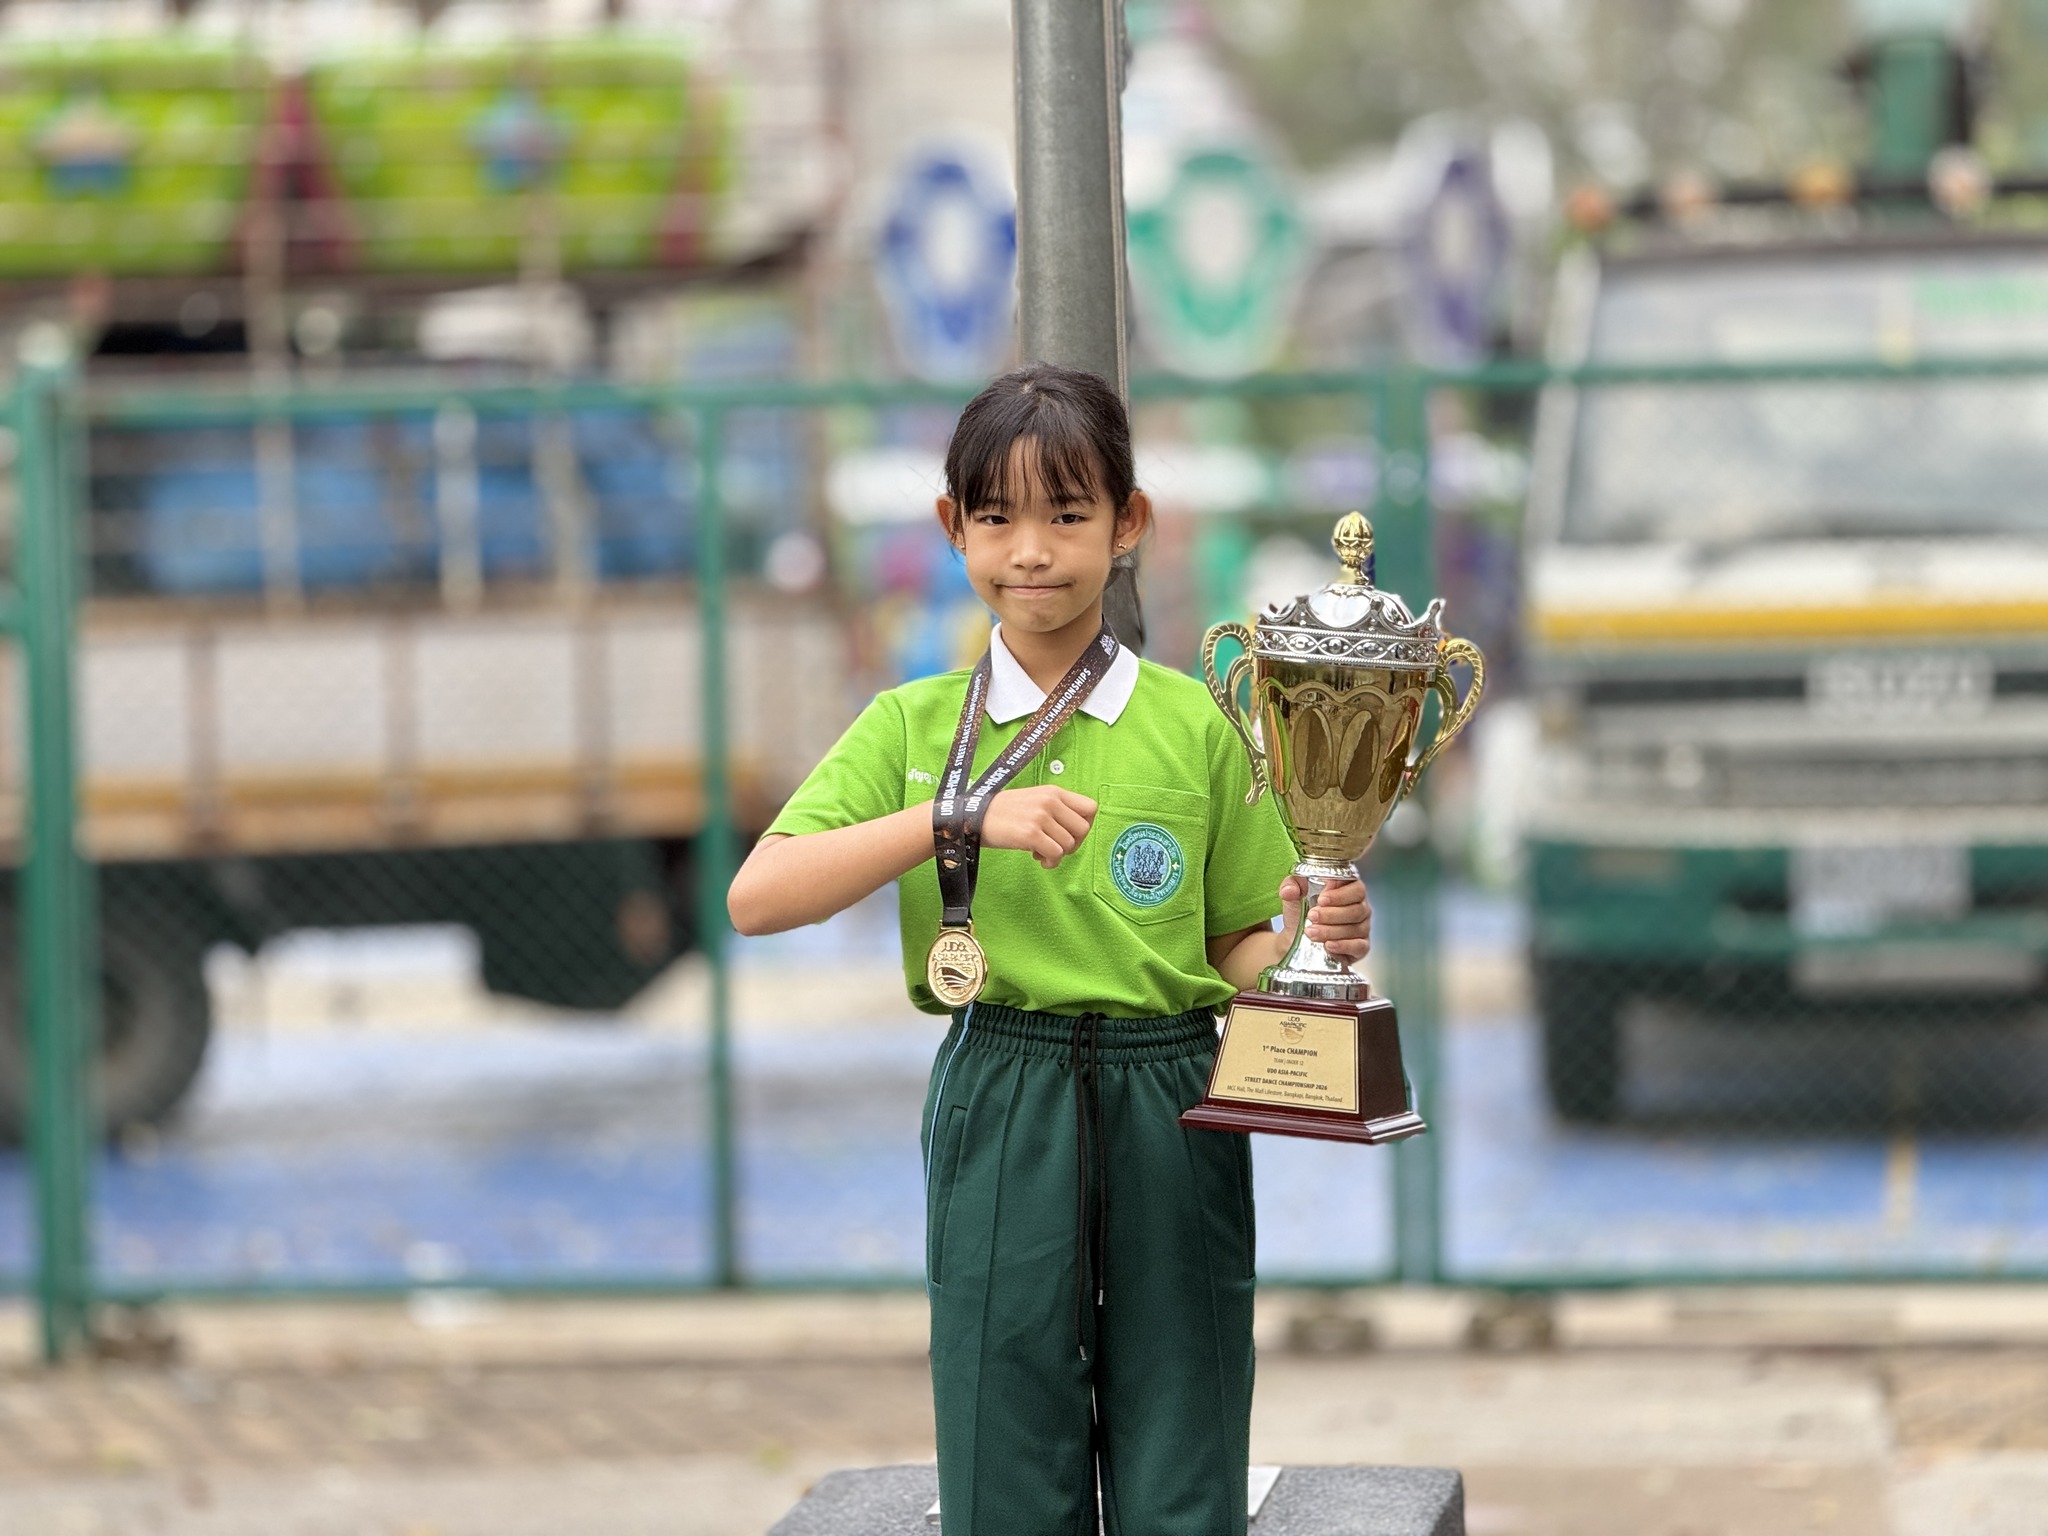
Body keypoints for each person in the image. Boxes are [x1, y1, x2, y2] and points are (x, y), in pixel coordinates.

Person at [727, 363, 1374, 1536]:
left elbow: (1235, 943)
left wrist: (1304, 946)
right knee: (1000, 1421)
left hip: (1172, 1089)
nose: (1030, 551)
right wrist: (954, 818)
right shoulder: (912, 724)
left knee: (1183, 1420)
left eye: (1067, 515)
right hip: (1000, 1084)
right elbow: (758, 899)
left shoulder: (1198, 723)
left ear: (1128, 524)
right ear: (952, 527)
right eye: (996, 518)